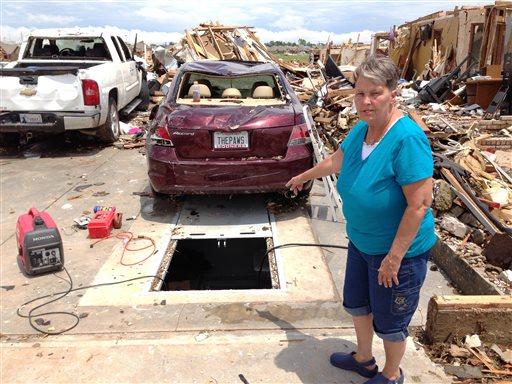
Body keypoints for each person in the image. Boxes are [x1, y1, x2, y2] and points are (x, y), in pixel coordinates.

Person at [285, 55, 436, 384]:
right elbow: (337, 160)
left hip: (398, 254)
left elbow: (419, 205)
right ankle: (364, 359)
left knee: (391, 321)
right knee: (358, 305)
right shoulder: (361, 130)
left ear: (392, 94)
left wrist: (394, 258)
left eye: (375, 93)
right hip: (362, 242)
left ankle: (391, 374)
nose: (366, 101)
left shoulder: (407, 139)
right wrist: (303, 175)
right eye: (360, 93)